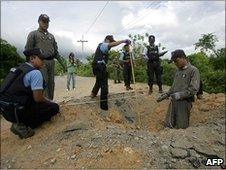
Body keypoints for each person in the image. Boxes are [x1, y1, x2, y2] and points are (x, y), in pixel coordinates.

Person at [0, 48, 59, 139]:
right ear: (32, 58)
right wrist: (50, 102)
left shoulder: (18, 68)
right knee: (54, 107)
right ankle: (24, 126)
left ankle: (19, 121)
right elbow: (38, 98)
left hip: (5, 110)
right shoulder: (35, 73)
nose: (43, 61)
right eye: (41, 59)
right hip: (17, 111)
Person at [25, 14, 66, 100]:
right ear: (39, 21)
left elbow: (56, 52)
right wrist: (29, 66)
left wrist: (63, 64)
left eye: (47, 22)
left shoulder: (51, 36)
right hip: (40, 63)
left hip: (51, 62)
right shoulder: (33, 34)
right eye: (43, 21)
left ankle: (50, 103)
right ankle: (43, 106)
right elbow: (28, 51)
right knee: (43, 83)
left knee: (51, 84)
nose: (45, 23)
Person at [157, 49, 200, 129]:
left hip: (184, 102)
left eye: (176, 61)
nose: (175, 64)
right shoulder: (178, 71)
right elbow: (174, 86)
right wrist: (166, 94)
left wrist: (180, 95)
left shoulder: (193, 70)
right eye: (174, 62)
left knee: (181, 127)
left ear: (183, 58)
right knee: (168, 124)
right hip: (174, 101)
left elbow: (194, 89)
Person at [90, 35, 131, 110]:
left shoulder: (103, 48)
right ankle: (104, 107)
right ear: (106, 40)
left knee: (99, 80)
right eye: (111, 42)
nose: (111, 45)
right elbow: (111, 45)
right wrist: (123, 41)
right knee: (104, 86)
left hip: (98, 66)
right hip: (99, 67)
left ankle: (93, 93)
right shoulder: (103, 45)